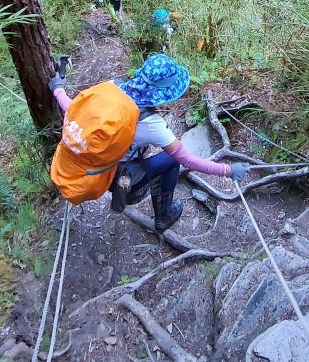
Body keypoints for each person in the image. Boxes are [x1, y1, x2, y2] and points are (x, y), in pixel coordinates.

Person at [49, 54, 251, 231]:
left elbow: (73, 108)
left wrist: (58, 89)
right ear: (164, 94)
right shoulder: (151, 124)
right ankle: (163, 216)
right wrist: (228, 171)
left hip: (90, 167)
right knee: (172, 161)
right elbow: (188, 160)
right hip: (117, 179)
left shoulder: (112, 88)